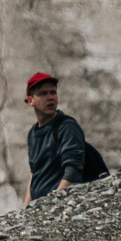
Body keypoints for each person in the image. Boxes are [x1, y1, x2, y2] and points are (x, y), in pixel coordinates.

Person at [23, 72, 85, 207]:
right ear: (30, 100)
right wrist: (24, 209)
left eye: (53, 92)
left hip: (61, 207)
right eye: (43, 94)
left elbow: (73, 171)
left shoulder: (67, 127)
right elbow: (35, 174)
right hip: (40, 209)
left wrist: (53, 204)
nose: (50, 97)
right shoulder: (32, 133)